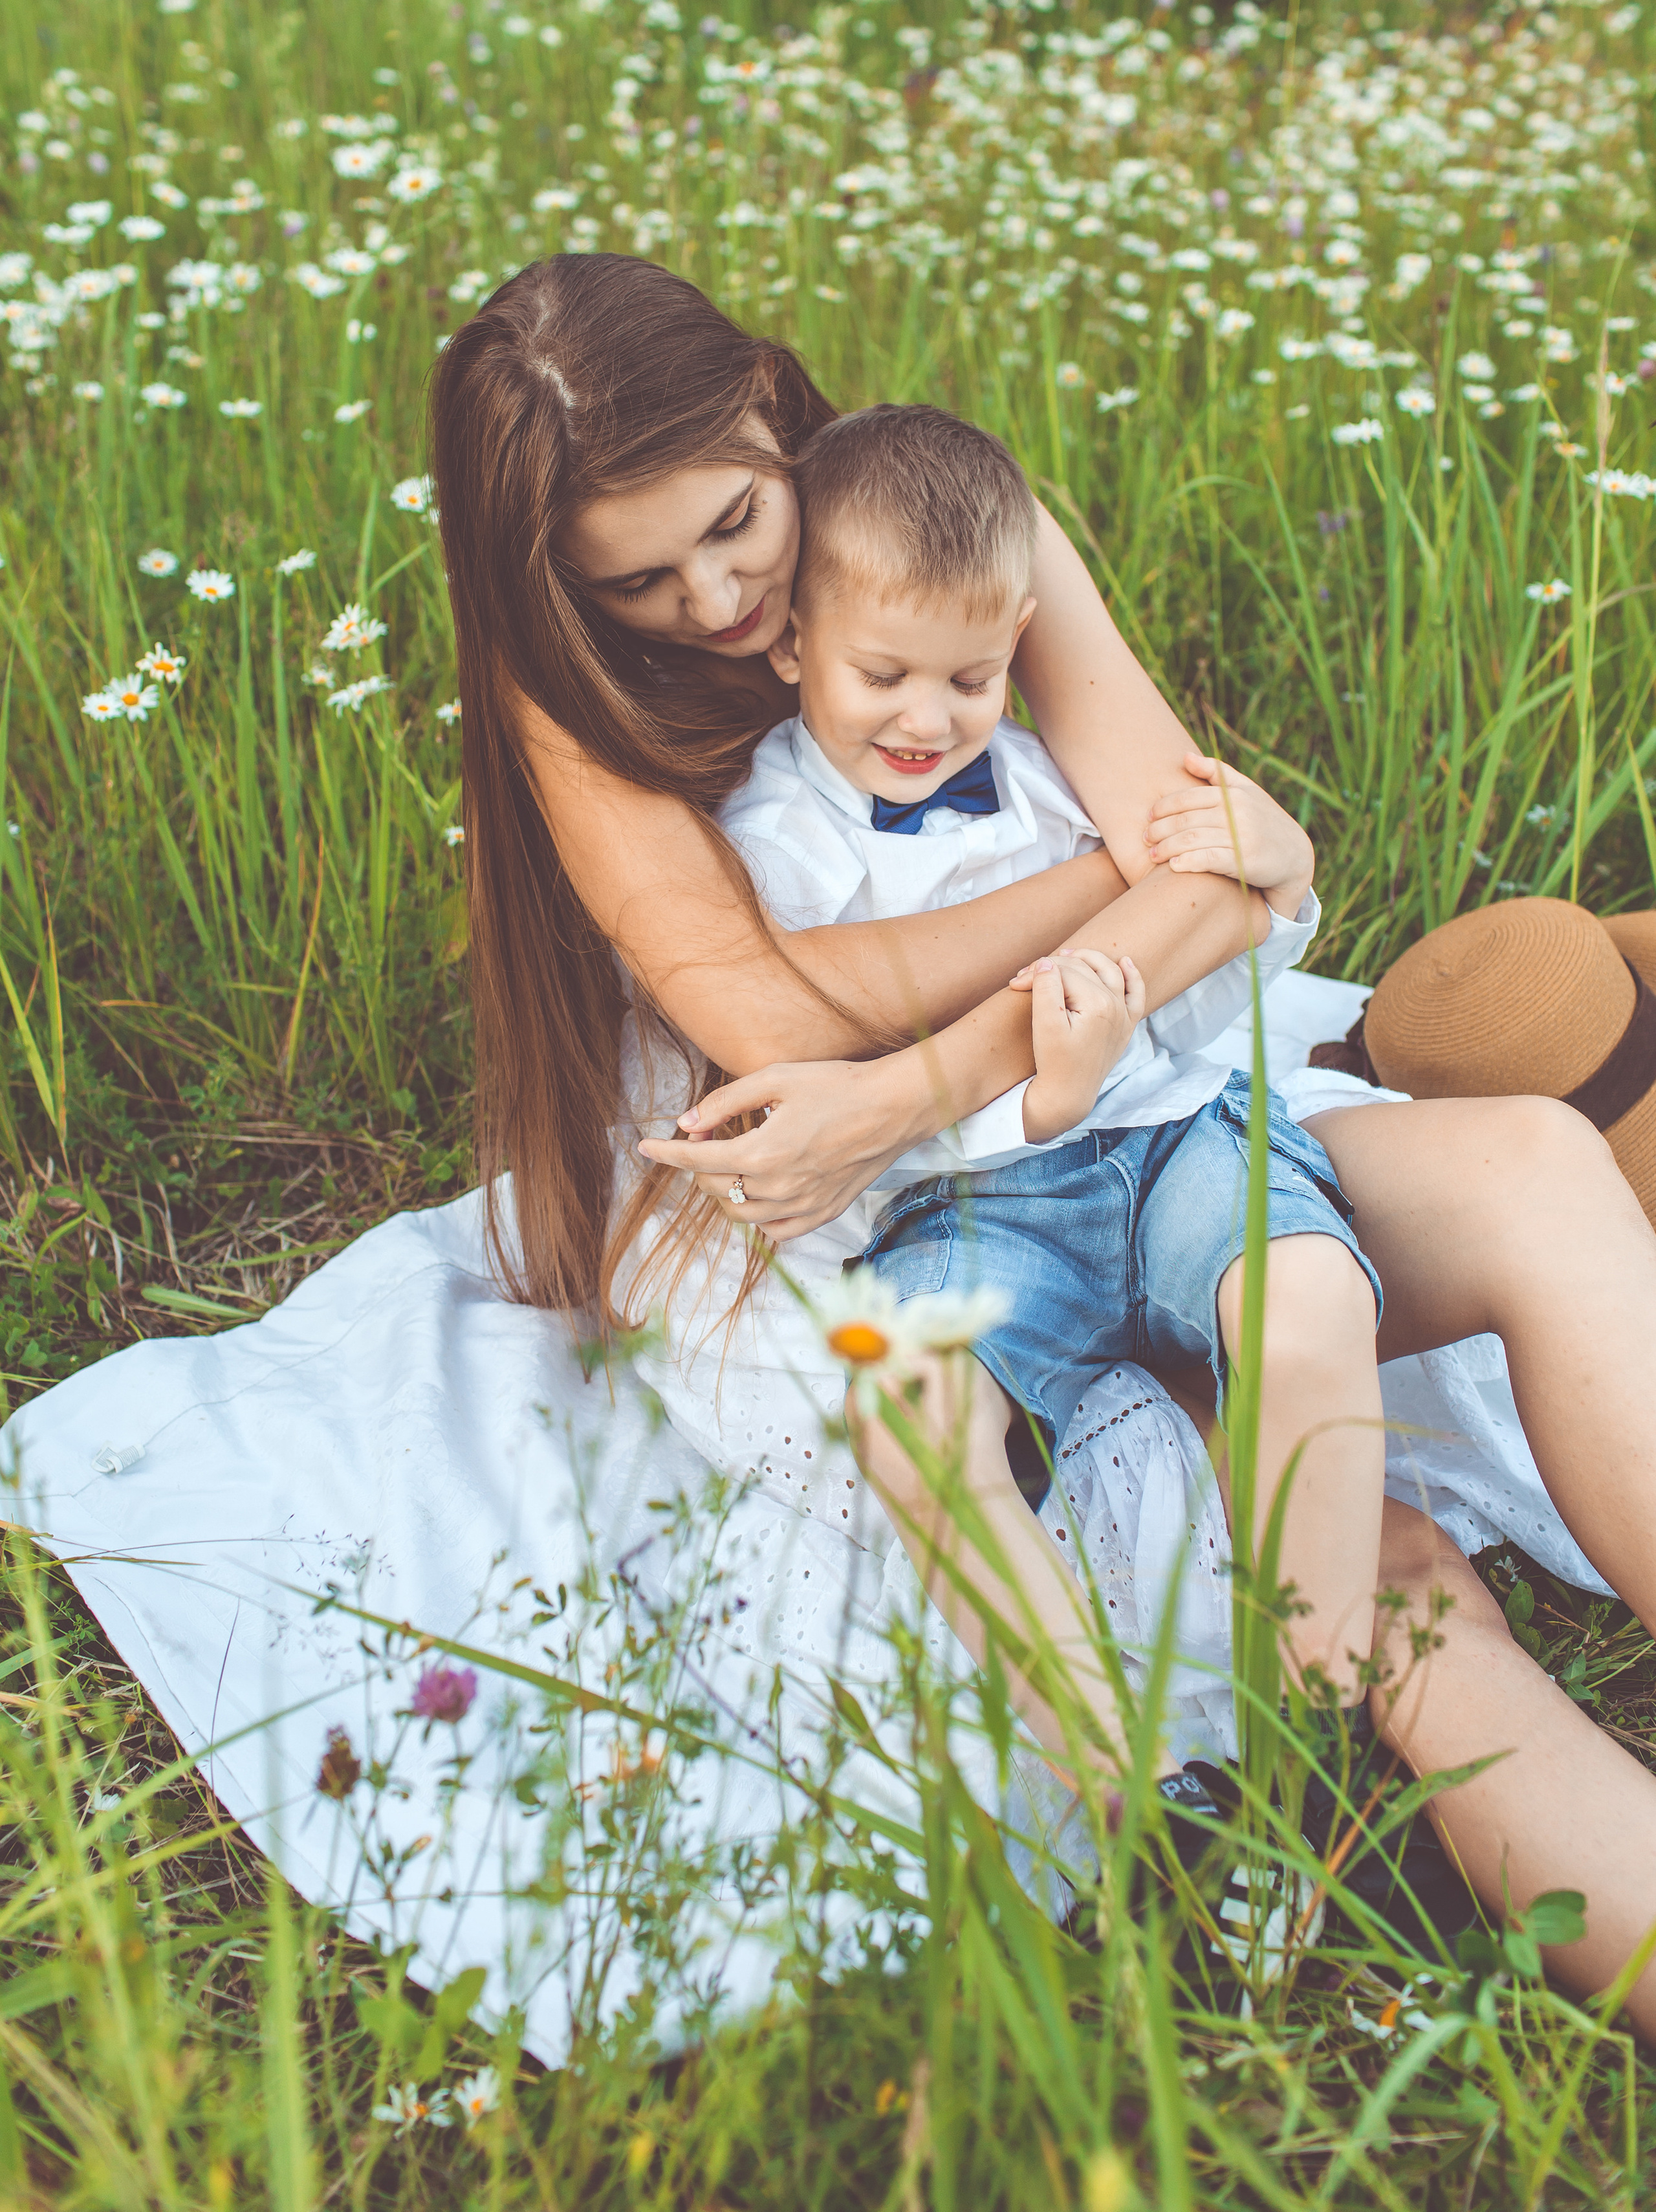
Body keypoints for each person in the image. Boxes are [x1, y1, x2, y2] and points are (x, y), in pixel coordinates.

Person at [431, 251, 1656, 2034]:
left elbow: (1223, 883)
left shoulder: (942, 506)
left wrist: (1013, 1010)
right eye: (641, 579)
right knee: (1389, 1565)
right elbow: (788, 1031)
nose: (713, 599)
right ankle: (1232, 1792)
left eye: (735, 526)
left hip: (1103, 1094)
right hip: (855, 1217)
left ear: (771, 413)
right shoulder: (574, 693)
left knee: (1531, 1170)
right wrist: (1115, 883)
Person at [715, 401, 1387, 1780]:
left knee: (1311, 1300)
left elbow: (1194, 982)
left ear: (1018, 642)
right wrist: (1033, 1101)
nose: (927, 720)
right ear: (792, 643)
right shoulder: (770, 855)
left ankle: (1313, 1736)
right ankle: (1131, 1786)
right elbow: (841, 1116)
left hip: (1168, 1141)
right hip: (967, 1206)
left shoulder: (1050, 788)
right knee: (907, 1414)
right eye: (883, 674)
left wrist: (1279, 882)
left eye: (971, 678)